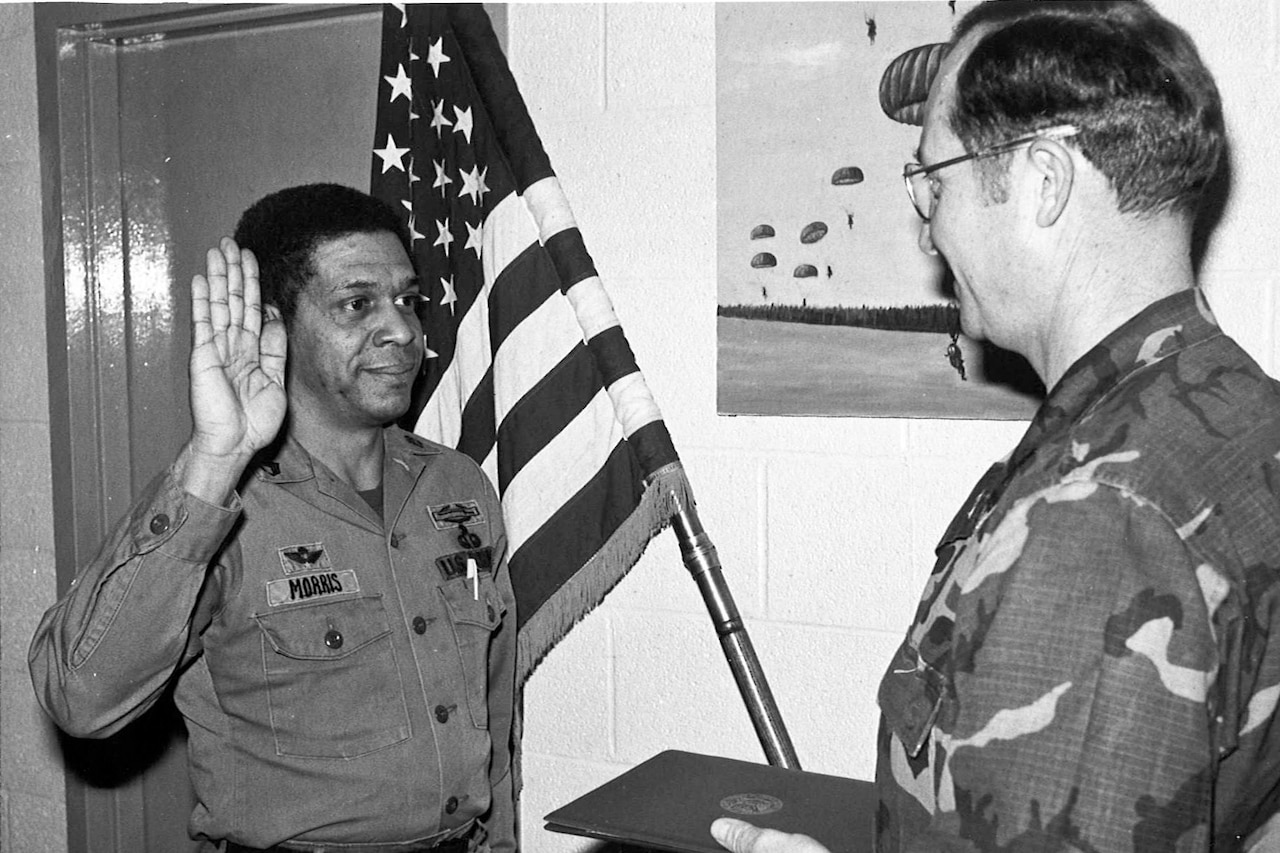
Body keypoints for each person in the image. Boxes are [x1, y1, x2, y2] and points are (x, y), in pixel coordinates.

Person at [712, 2, 1280, 851]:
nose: (928, 224)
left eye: (934, 180)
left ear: (1044, 182)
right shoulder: (1244, 415)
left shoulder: (1097, 524)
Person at [29, 184, 517, 853]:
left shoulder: (457, 487)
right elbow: (80, 697)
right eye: (357, 303)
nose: (404, 330)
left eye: (409, 300)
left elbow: (491, 716)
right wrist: (211, 459)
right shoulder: (224, 503)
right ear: (273, 327)